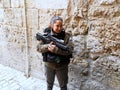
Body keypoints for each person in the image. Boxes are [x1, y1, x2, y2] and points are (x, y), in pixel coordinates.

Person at [37, 16, 73, 90]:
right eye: (57, 26)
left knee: (63, 86)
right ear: (51, 25)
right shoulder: (46, 35)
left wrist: (56, 50)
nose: (59, 28)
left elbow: (70, 50)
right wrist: (48, 46)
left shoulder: (66, 36)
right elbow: (38, 48)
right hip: (49, 65)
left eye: (61, 26)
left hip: (62, 66)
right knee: (49, 85)